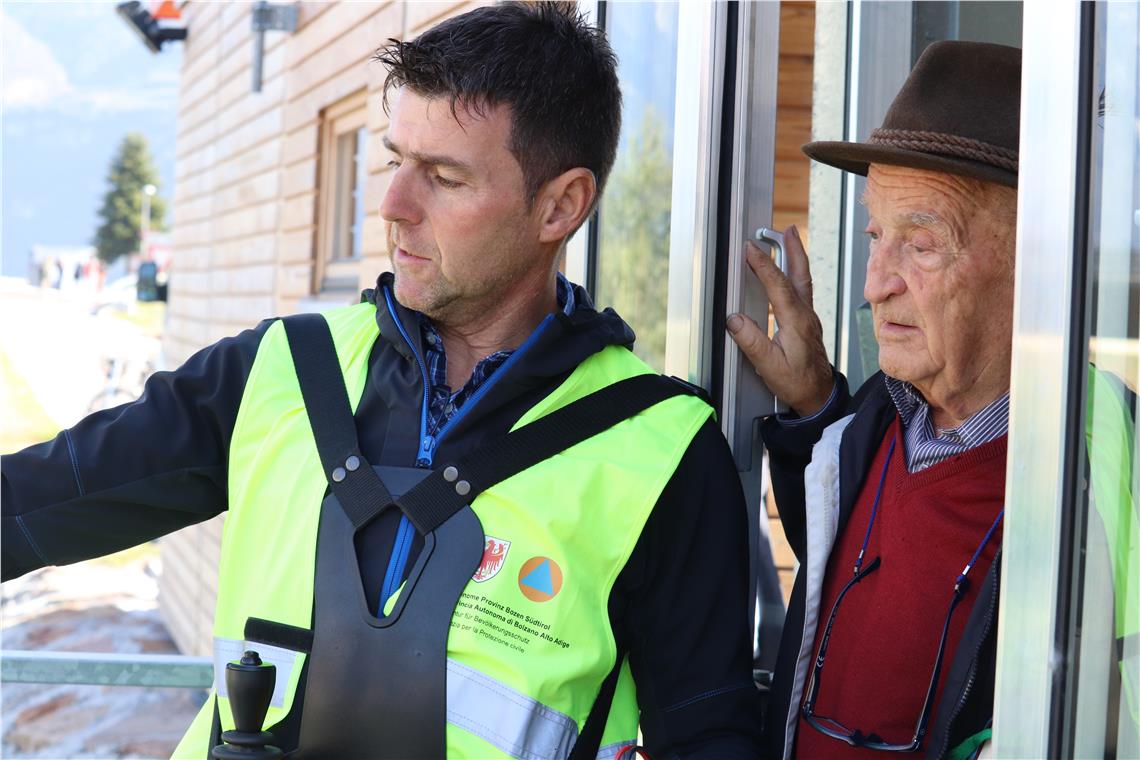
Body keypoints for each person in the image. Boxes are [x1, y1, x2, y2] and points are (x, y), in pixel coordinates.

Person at [1, 5, 761, 759]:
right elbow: (35, 501)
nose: (393, 207)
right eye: (396, 161)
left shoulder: (660, 449)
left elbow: (710, 737)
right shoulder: (284, 369)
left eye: (445, 178)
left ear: (560, 206)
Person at [727, 41, 1021, 759]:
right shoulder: (878, 418)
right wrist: (815, 405)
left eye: (921, 244)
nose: (874, 286)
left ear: (1034, 257)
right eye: (875, 236)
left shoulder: (1091, 476)